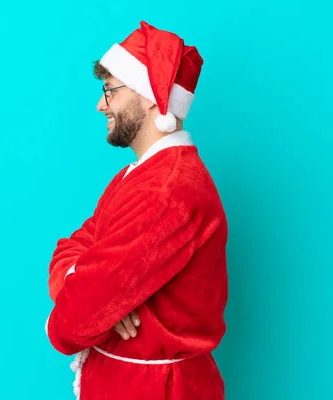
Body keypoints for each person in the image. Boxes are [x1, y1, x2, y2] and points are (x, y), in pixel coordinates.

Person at [45, 20, 228, 399]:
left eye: (110, 90)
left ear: (150, 95)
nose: (100, 105)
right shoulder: (138, 176)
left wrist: (96, 301)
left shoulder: (166, 191)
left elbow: (73, 323)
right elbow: (71, 246)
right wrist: (94, 291)